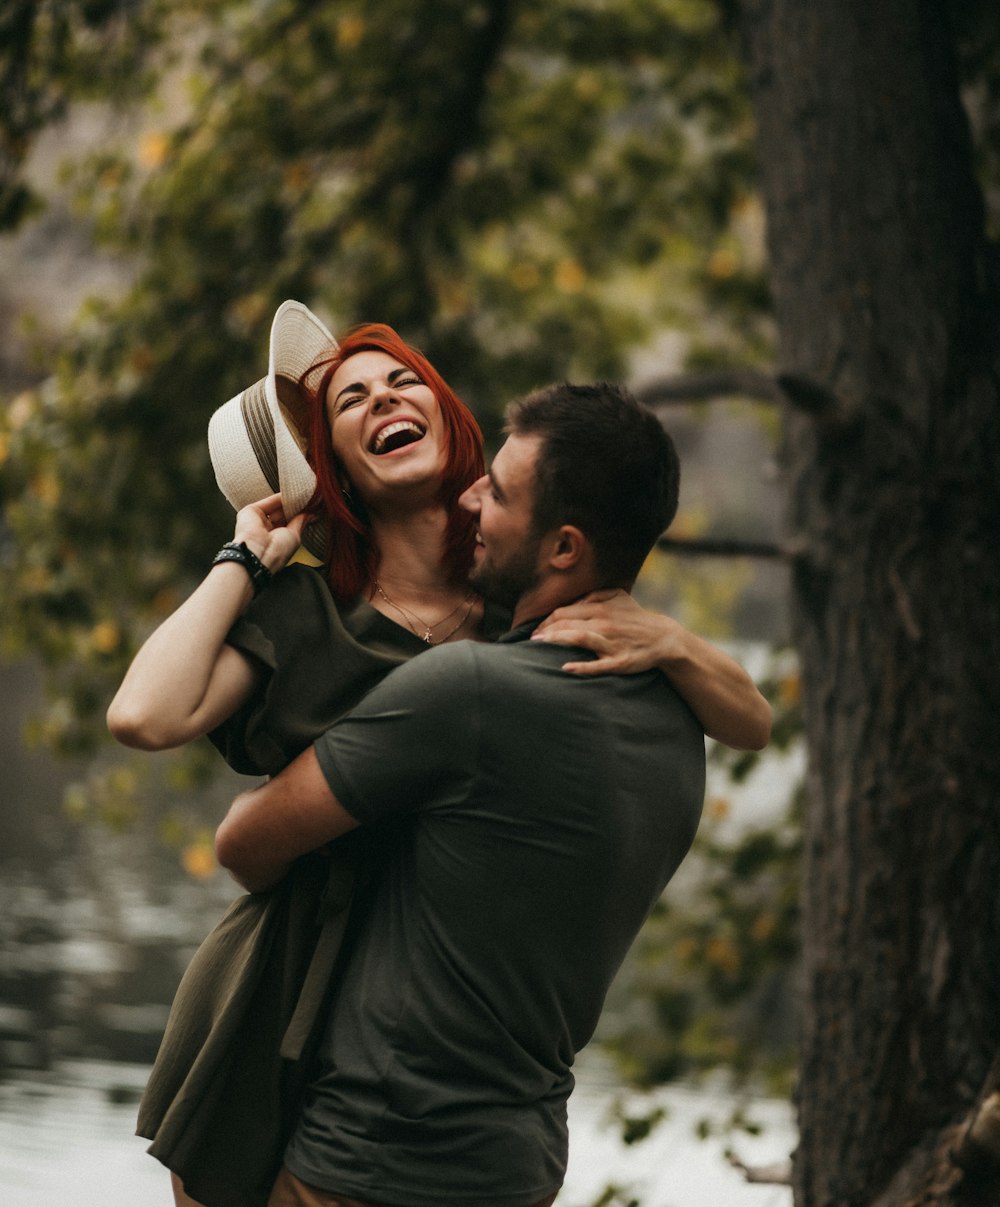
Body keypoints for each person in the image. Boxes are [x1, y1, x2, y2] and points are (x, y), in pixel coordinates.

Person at [108, 302, 770, 1207]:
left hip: (418, 1027)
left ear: (450, 422)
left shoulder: (524, 601)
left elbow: (751, 722)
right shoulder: (311, 618)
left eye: (401, 381)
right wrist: (246, 557)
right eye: (351, 403)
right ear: (331, 465)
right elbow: (143, 715)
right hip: (279, 985)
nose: (383, 401)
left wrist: (676, 642)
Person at [213, 380, 711, 1207]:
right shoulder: (680, 717)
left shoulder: (467, 690)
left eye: (501, 492)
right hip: (517, 1167)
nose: (471, 495)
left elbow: (243, 843)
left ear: (563, 549)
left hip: (369, 1159)